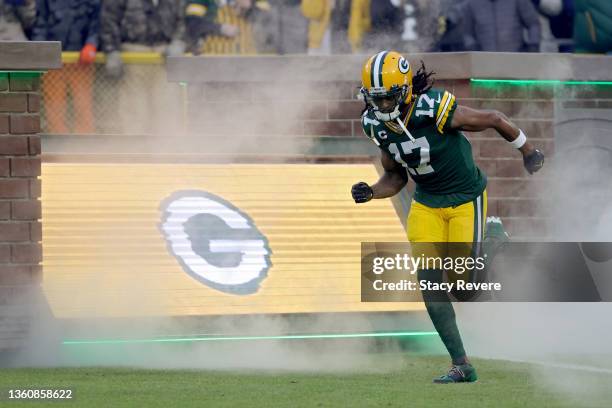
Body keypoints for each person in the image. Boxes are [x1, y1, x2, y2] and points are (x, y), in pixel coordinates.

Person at [351, 51, 545, 383]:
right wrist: (371, 191)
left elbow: (495, 118)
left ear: (406, 90)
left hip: (464, 197)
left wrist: (528, 151)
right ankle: (462, 364)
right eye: (376, 99)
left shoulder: (433, 107)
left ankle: (494, 239)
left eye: (389, 98)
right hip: (426, 202)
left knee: (464, 288)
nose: (382, 106)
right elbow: (396, 177)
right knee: (429, 282)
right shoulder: (375, 125)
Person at [32, 0, 99, 133]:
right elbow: (40, 24)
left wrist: (92, 44)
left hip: (81, 61)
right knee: (54, 107)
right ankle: (59, 144)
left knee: (83, 104)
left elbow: (97, 22)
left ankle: (85, 145)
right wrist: (40, 49)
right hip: (53, 59)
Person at [463, 0, 541, 52]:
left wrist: (533, 45)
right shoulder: (472, 3)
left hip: (516, 57)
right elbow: (467, 33)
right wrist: (472, 47)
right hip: (485, 60)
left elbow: (533, 24)